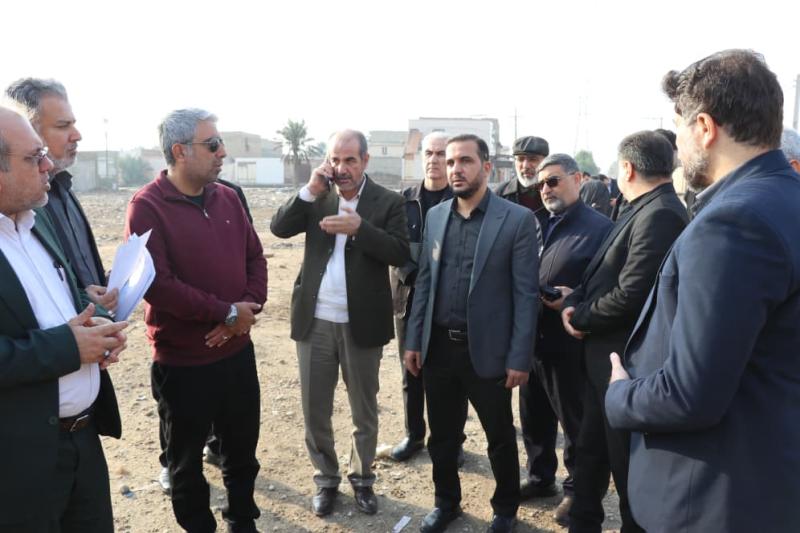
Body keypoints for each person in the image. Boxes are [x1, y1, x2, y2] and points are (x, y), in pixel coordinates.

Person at [605, 49, 800, 533]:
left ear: (705, 128)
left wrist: (619, 394)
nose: (677, 146)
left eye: (678, 129)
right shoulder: (784, 198)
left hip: (716, 500)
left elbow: (689, 395)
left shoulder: (733, 222)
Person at [126, 108, 267, 533]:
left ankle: (242, 521)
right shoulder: (147, 207)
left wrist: (244, 311)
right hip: (184, 364)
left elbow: (255, 258)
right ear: (180, 151)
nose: (222, 152)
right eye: (213, 144)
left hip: (237, 355)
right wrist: (225, 312)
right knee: (186, 464)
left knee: (241, 453)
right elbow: (159, 286)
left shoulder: (227, 198)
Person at [0, 105, 128, 532]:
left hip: (83, 443)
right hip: (19, 462)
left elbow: (69, 291)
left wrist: (99, 326)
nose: (48, 166)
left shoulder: (37, 223)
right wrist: (69, 348)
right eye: (33, 157)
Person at [270, 130, 409, 517]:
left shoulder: (388, 201)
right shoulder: (318, 196)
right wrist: (308, 190)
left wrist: (360, 230)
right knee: (315, 408)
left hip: (362, 322)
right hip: (315, 320)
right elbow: (279, 227)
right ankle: (326, 479)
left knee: (364, 409)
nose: (342, 168)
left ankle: (362, 478)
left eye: (350, 160)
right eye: (335, 159)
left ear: (365, 161)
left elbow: (400, 252)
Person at [405, 134, 539, 533]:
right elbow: (424, 283)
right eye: (450, 162)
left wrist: (519, 357)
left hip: (489, 351)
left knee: (499, 436)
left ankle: (505, 509)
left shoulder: (515, 220)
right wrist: (414, 339)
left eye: (465, 161)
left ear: (486, 167)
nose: (455, 169)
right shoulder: (436, 217)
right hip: (438, 350)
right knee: (442, 437)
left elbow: (525, 295)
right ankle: (446, 503)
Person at [560, 131, 688, 533]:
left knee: (627, 468)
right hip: (603, 361)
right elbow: (602, 271)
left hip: (624, 363)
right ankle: (583, 521)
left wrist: (580, 317)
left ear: (628, 168)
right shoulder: (639, 207)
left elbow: (631, 294)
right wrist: (575, 298)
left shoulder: (662, 214)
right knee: (590, 452)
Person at [522, 154, 612, 525]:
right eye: (541, 183)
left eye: (553, 181)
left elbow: (609, 287)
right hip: (532, 338)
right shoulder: (536, 223)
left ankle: (578, 490)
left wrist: (575, 299)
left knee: (575, 423)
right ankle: (540, 477)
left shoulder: (601, 229)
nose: (545, 189)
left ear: (577, 179)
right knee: (534, 415)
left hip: (570, 343)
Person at [5, 78, 118, 312]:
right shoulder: (20, 206)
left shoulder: (63, 187)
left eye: (73, 124)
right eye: (62, 126)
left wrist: (96, 288)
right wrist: (81, 303)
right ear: (29, 129)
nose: (77, 135)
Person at [388, 132, 465, 463]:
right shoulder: (403, 202)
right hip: (408, 300)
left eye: (441, 154)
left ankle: (452, 440)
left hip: (449, 303)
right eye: (429, 153)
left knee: (451, 376)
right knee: (411, 371)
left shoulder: (462, 201)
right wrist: (419, 278)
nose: (434, 160)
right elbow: (393, 250)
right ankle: (414, 434)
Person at [495, 135, 550, 229]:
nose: (525, 166)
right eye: (520, 159)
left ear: (546, 162)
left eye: (533, 159)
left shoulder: (555, 191)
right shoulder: (501, 194)